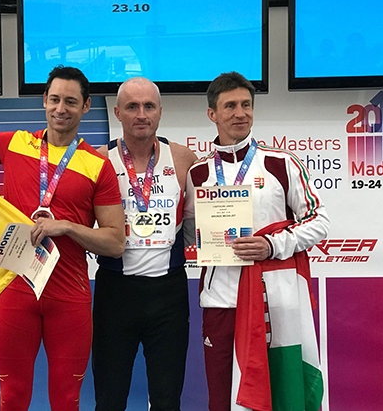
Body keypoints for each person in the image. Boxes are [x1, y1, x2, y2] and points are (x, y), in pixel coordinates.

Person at [0, 65, 125, 411]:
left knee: (66, 400)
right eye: (55, 99)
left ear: (86, 107)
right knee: (12, 398)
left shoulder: (97, 166)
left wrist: (69, 227)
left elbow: (115, 242)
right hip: (16, 292)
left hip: (69, 298)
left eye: (71, 102)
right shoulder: (16, 144)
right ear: (44, 100)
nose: (61, 109)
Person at [185, 71, 330, 411]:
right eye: (230, 106)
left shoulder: (281, 163)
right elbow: (191, 231)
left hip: (276, 300)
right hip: (222, 302)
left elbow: (319, 220)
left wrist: (272, 246)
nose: (240, 113)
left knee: (282, 395)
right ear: (212, 114)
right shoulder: (198, 174)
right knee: (223, 399)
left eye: (246, 105)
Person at [93, 77, 198, 411]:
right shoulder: (97, 160)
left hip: (168, 294)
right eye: (132, 107)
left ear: (160, 112)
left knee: (167, 400)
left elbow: (198, 225)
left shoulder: (183, 158)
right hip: (115, 292)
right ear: (117, 112)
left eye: (149, 106)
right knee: (109, 399)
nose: (141, 114)